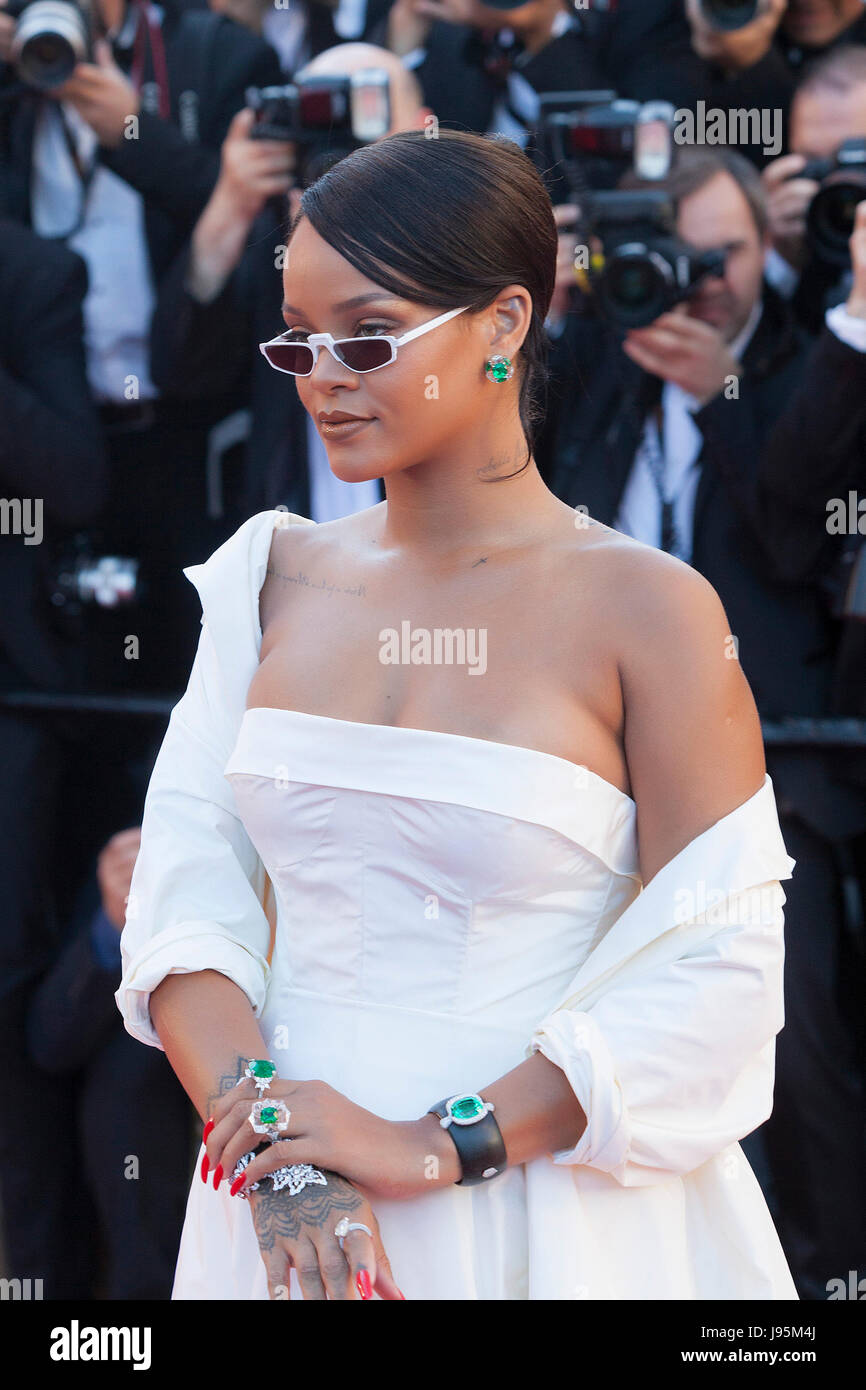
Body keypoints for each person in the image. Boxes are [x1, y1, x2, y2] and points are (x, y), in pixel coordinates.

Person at [117, 128, 798, 1300]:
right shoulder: (262, 582)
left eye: (370, 338)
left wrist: (439, 1142)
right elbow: (186, 905)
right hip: (286, 1214)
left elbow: (720, 976)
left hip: (551, 1213)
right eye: (299, 342)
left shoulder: (650, 608)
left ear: (504, 323)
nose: (325, 374)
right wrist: (282, 1157)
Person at [547, 145, 866, 1298]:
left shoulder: (800, 366)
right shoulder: (594, 357)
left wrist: (714, 387)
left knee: (798, 1052)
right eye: (673, 257)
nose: (697, 283)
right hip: (591, 780)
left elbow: (793, 535)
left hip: (763, 779)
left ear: (767, 250)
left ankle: (828, 1285)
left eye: (723, 256)